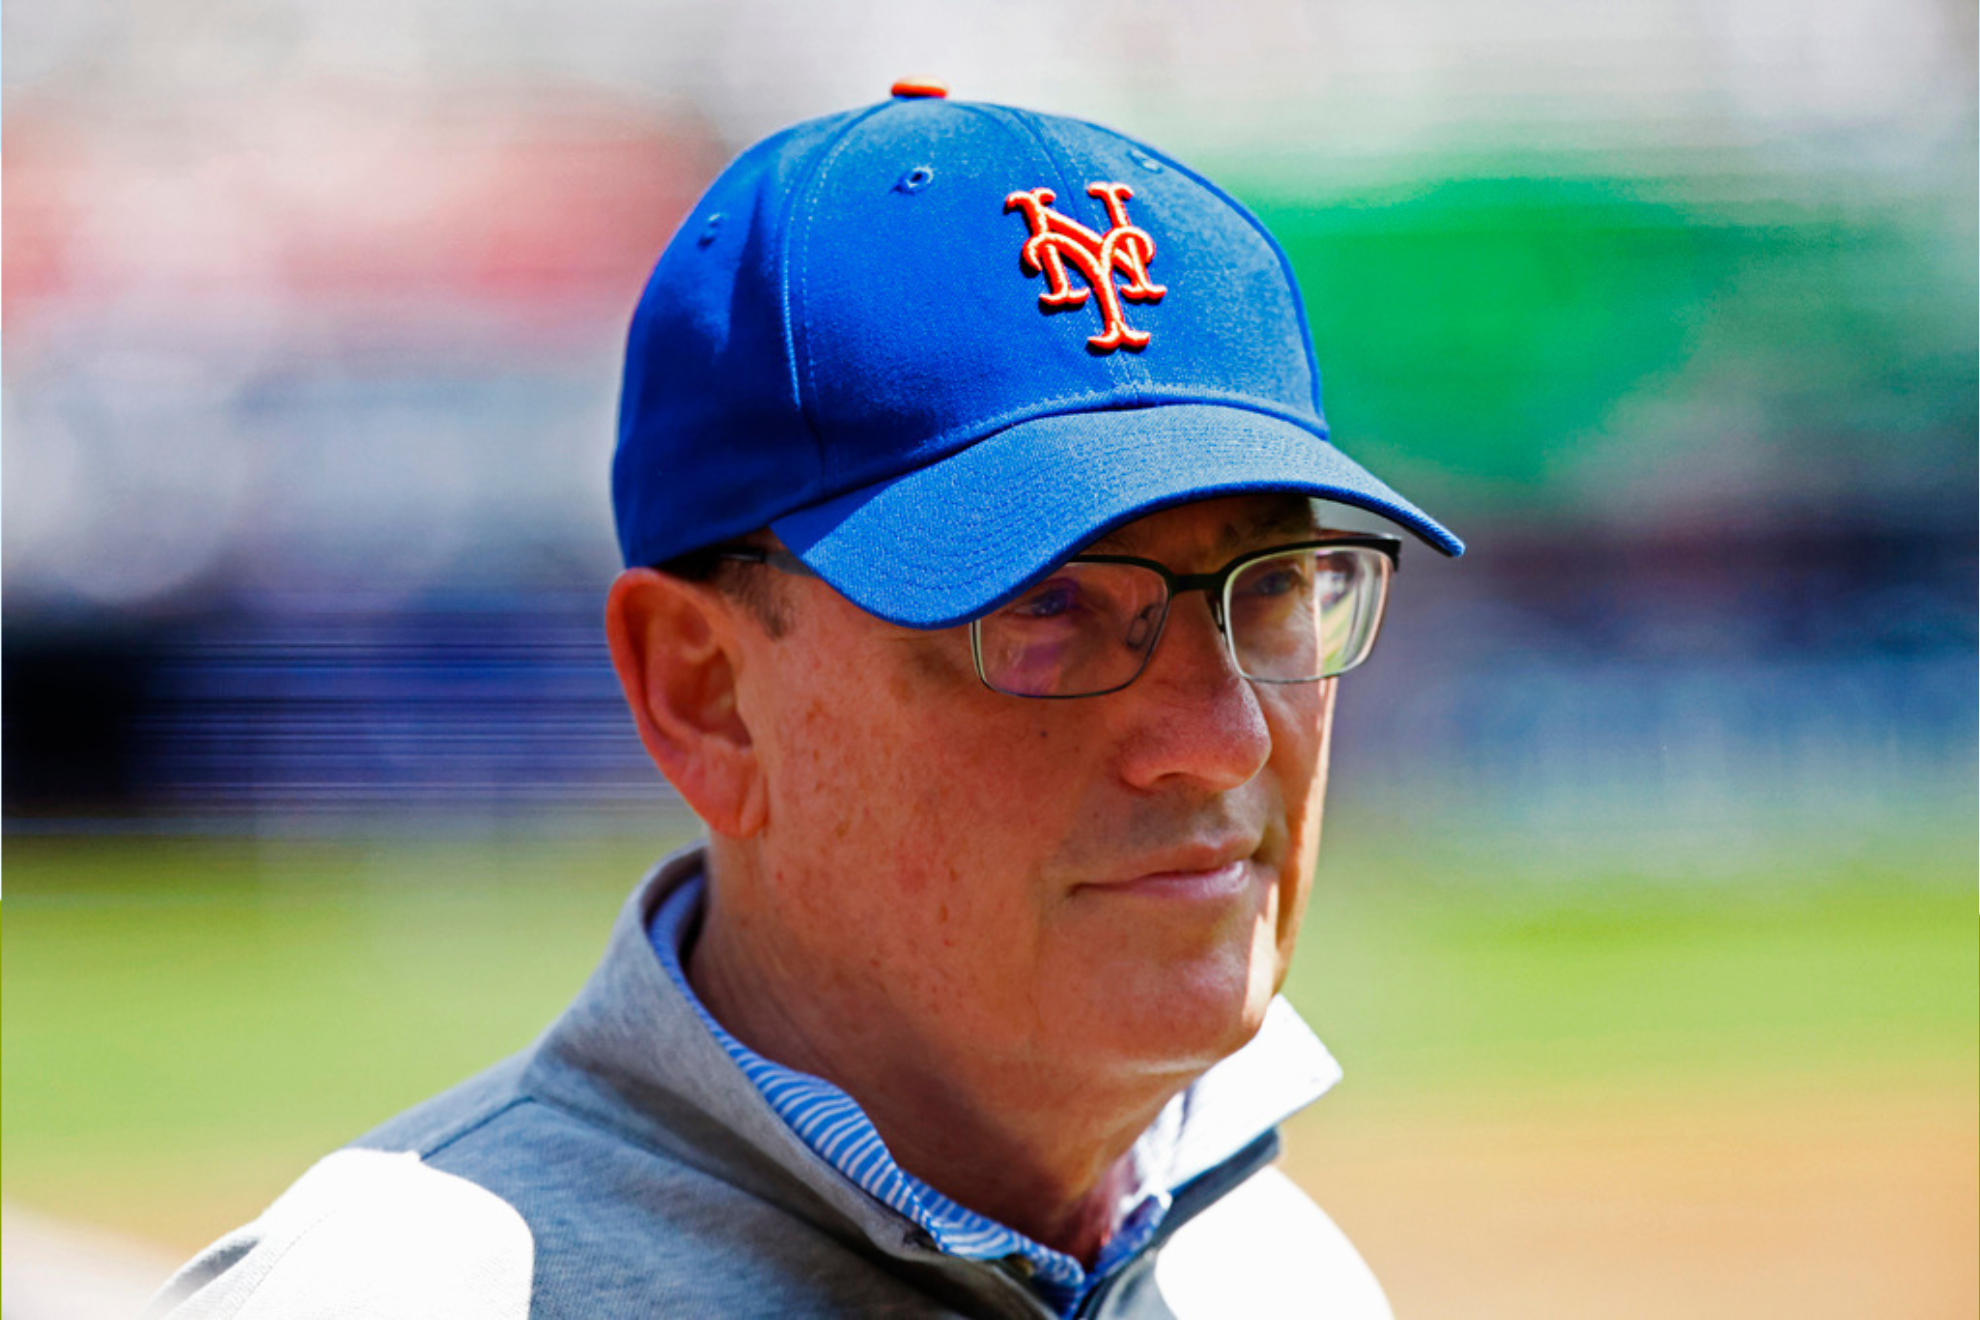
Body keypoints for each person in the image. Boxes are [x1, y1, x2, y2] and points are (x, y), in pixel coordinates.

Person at [151, 81, 1462, 1318]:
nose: (1222, 738)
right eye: (1044, 607)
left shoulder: (1274, 1269)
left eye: (1278, 584)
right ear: (705, 693)